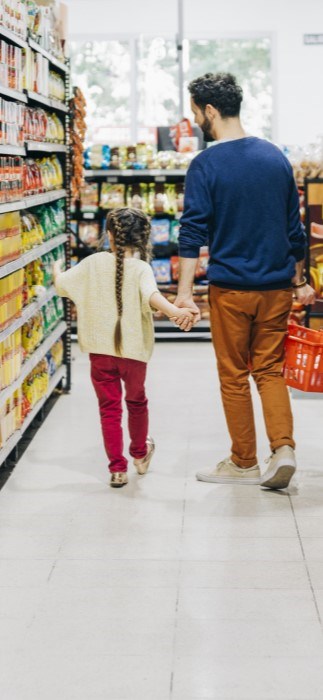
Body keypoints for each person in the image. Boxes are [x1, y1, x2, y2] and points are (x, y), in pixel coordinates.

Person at [174, 72, 316, 490]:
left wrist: (184, 294)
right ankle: (284, 449)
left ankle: (243, 461)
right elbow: (296, 230)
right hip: (275, 289)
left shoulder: (206, 164)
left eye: (196, 111)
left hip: (231, 289)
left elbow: (192, 232)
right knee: (270, 370)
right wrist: (300, 278)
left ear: (211, 110)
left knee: (234, 374)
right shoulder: (275, 157)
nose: (196, 118)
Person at [53, 207, 196, 488]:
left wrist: (57, 268)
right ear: (144, 238)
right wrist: (175, 313)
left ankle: (117, 469)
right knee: (136, 402)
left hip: (100, 352)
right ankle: (140, 455)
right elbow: (151, 296)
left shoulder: (92, 263)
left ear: (109, 235)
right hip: (133, 353)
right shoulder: (142, 268)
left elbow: (62, 286)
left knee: (109, 409)